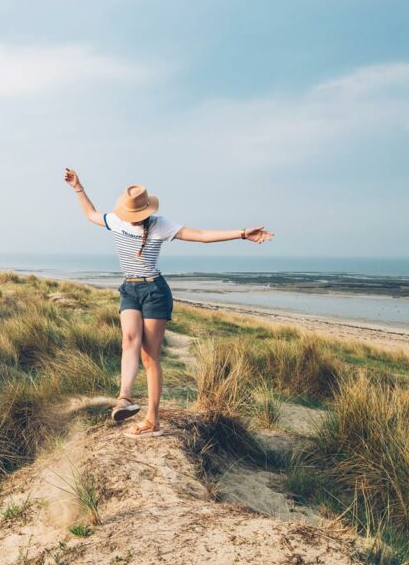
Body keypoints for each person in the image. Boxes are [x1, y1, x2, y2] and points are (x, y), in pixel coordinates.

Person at [64, 168, 274, 437]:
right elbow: (91, 215)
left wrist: (242, 233)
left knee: (149, 356)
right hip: (129, 288)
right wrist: (78, 187)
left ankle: (152, 420)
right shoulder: (116, 220)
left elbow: (201, 235)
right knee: (129, 340)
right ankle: (125, 399)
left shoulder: (160, 224)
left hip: (155, 291)